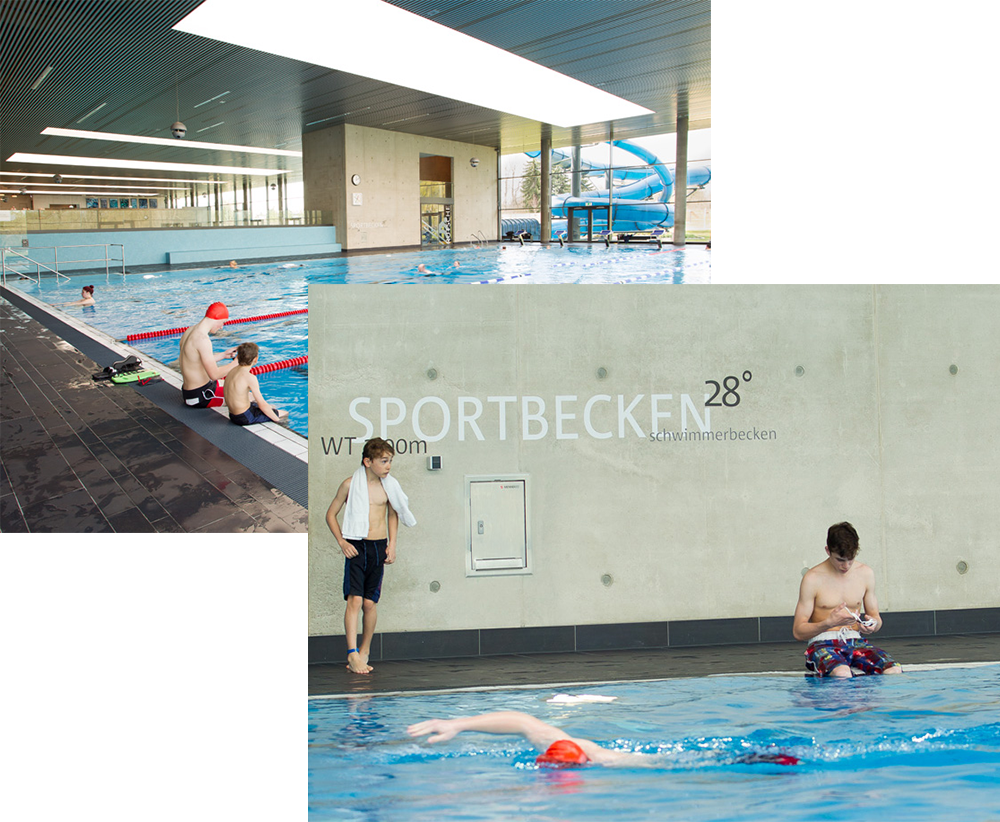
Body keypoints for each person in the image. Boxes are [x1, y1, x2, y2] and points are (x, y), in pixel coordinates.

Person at [407, 711, 800, 768]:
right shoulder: (575, 751)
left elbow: (524, 721)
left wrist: (459, 723)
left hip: (655, 763)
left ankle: (762, 759)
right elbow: (523, 722)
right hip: (655, 761)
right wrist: (458, 724)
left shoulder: (594, 757)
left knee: (713, 762)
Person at [325, 438, 416, 674]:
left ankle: (365, 649)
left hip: (378, 546)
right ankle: (352, 653)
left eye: (390, 461)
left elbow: (393, 514)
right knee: (354, 600)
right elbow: (330, 515)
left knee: (369, 602)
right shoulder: (349, 485)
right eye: (384, 461)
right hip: (356, 545)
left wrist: (393, 544)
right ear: (368, 461)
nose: (388, 466)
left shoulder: (389, 486)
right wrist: (342, 541)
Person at [792, 522, 901, 678]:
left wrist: (872, 625)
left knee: (893, 670)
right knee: (842, 673)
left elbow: (876, 618)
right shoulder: (813, 579)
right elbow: (798, 631)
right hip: (823, 643)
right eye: (840, 560)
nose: (846, 566)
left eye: (851, 559)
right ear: (828, 551)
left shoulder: (865, 574)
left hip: (855, 642)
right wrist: (828, 623)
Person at [178, 301, 238, 408]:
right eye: (222, 322)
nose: (221, 327)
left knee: (235, 382)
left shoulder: (190, 331)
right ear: (216, 318)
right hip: (201, 396)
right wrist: (236, 363)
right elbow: (214, 375)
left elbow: (195, 361)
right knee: (247, 396)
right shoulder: (202, 339)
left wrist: (223, 355)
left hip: (192, 392)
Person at [224, 342, 288, 425]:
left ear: (238, 357)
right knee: (284, 413)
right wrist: (277, 420)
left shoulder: (232, 371)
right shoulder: (250, 377)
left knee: (271, 407)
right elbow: (262, 405)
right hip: (244, 417)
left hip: (232, 415)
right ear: (255, 359)